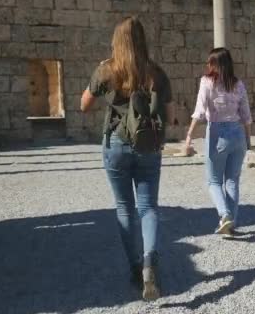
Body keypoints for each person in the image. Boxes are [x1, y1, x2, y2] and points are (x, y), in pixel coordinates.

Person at [80, 16, 174, 301]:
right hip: (148, 145)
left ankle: (134, 267)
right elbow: (169, 116)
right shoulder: (156, 73)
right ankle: (149, 265)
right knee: (148, 208)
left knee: (124, 208)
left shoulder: (106, 71)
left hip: (116, 143)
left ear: (116, 42)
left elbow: (83, 105)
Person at [185, 47, 252, 236]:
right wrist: (248, 139)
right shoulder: (238, 84)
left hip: (217, 133)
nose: (207, 66)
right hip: (238, 134)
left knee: (213, 181)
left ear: (216, 64)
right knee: (232, 180)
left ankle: (224, 215)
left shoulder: (207, 82)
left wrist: (189, 135)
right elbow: (246, 115)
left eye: (210, 62)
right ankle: (231, 224)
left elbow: (199, 110)